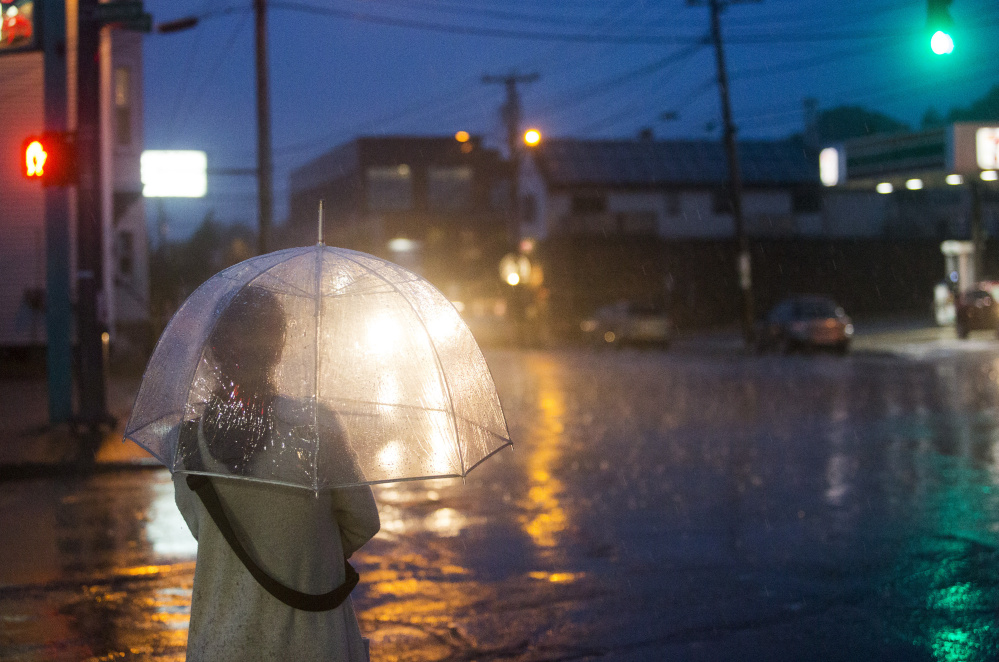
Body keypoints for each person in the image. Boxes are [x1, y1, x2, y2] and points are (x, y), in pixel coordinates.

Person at [173, 285, 381, 661]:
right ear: (278, 349)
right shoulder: (315, 427)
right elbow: (363, 520)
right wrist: (310, 550)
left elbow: (202, 530)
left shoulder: (186, 443)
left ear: (213, 348)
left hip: (221, 646)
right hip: (315, 644)